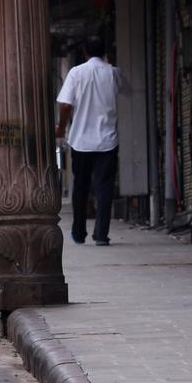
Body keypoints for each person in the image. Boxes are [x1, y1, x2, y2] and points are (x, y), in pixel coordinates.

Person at [54, 37, 129, 246]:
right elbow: (126, 91)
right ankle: (101, 235)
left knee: (81, 187)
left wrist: (61, 126)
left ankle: (79, 232)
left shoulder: (76, 73)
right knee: (104, 188)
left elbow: (66, 104)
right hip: (107, 141)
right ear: (105, 51)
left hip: (81, 141)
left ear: (85, 52)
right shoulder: (113, 73)